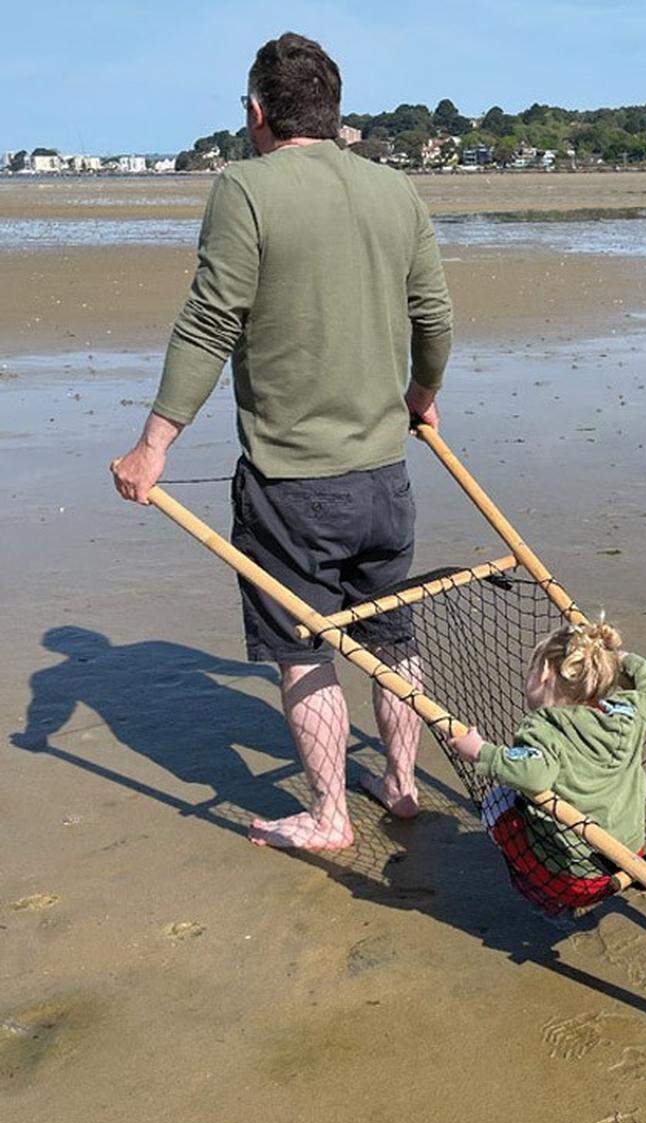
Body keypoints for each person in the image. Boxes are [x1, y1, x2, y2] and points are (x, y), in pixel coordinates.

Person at [111, 32, 453, 851]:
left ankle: (332, 813)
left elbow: (208, 321)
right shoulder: (395, 191)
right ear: (332, 114)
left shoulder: (245, 190)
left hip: (292, 485)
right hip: (385, 477)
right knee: (389, 636)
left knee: (304, 651)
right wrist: (421, 396)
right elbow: (433, 316)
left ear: (258, 113)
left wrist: (153, 443)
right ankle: (401, 785)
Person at [449, 617, 646, 916]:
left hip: (573, 878)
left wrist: (481, 753)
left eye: (530, 671)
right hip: (631, 852)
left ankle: (541, 893)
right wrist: (627, 661)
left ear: (544, 673)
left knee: (496, 801)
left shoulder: (544, 728)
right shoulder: (627, 711)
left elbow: (534, 774)